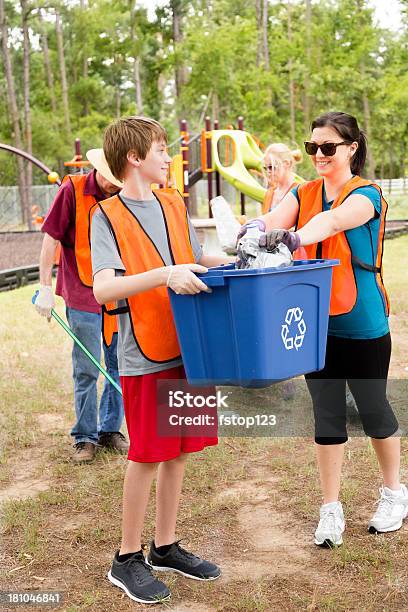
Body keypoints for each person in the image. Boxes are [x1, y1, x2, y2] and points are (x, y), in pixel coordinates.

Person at [239, 111, 408, 548]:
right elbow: (275, 219)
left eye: (327, 147)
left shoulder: (367, 194)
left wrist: (295, 239)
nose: (318, 154)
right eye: (313, 147)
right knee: (327, 414)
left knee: (373, 410)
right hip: (313, 323)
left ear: (351, 148)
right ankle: (330, 508)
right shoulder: (303, 190)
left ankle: (394, 493)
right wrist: (256, 229)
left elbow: (331, 223)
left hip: (363, 321)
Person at [91, 116, 233, 604]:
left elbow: (196, 257)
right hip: (144, 351)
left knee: (180, 449)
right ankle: (127, 557)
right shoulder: (106, 215)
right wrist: (162, 274)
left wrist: (240, 258)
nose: (169, 156)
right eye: (160, 149)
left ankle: (165, 545)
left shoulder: (174, 201)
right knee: (149, 454)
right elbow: (104, 287)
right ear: (134, 157)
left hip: (189, 345)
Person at [35, 150, 128, 463]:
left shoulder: (126, 191)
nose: (117, 187)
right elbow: (51, 239)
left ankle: (109, 429)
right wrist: (45, 287)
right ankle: (85, 438)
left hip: (118, 291)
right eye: (113, 181)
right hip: (82, 293)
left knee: (120, 365)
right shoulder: (71, 189)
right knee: (87, 368)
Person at [261, 142, 302, 214]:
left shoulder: (300, 191)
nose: (268, 172)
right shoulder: (270, 193)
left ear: (286, 164)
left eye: (271, 167)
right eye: (265, 168)